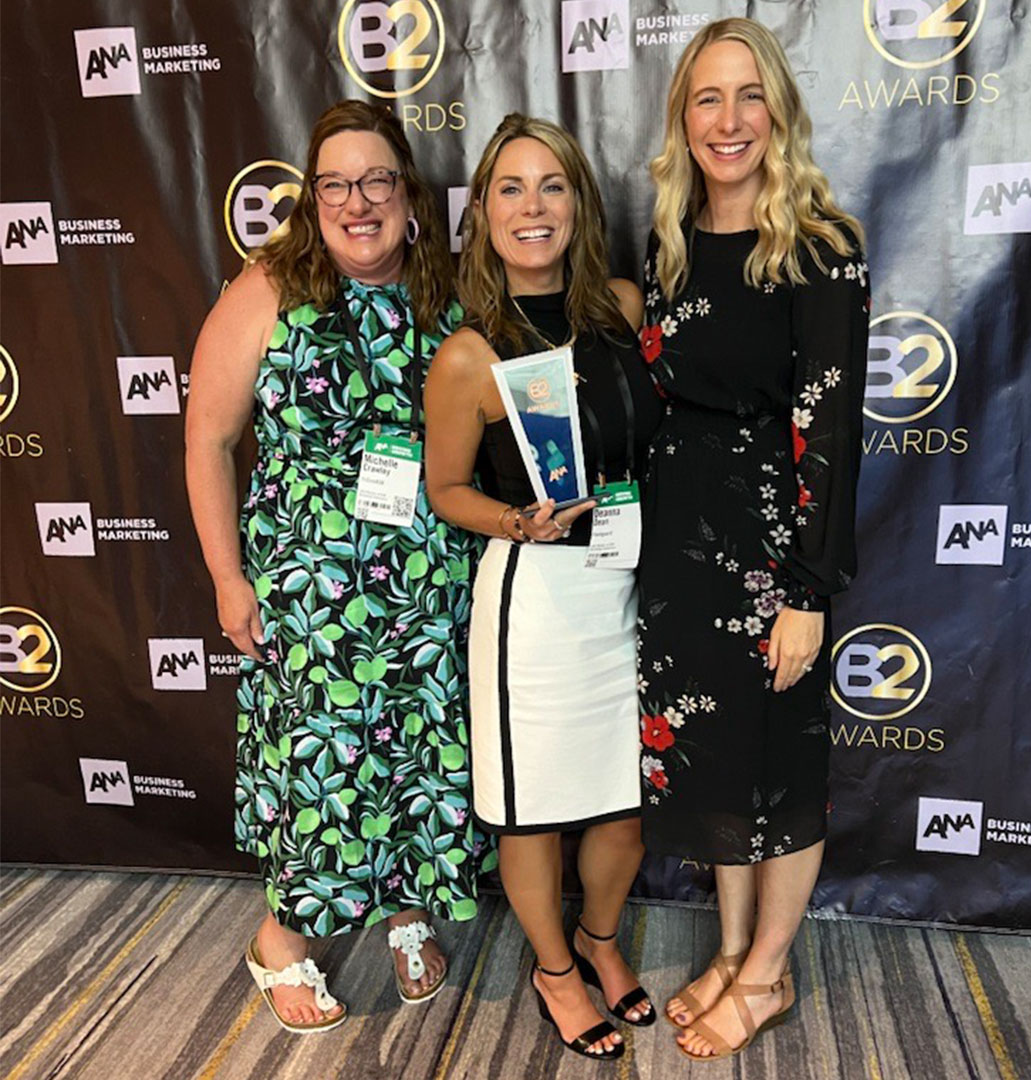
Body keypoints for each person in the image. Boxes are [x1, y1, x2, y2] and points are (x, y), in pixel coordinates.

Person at [185, 100, 485, 1033]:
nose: (358, 202)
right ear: (312, 200)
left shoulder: (450, 290)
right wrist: (229, 580)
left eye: (377, 180)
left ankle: (403, 910)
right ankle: (280, 937)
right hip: (311, 592)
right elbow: (207, 438)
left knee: (419, 755)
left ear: (408, 192)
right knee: (322, 769)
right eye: (335, 184)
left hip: (430, 584)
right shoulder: (267, 289)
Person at [635, 18, 870, 1060]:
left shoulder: (820, 250)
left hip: (771, 563)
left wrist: (809, 589)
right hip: (678, 552)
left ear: (777, 110)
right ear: (682, 120)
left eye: (747, 96)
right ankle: (731, 949)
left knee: (781, 769)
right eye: (706, 99)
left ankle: (769, 974)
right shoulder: (670, 242)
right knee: (721, 765)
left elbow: (829, 432)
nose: (728, 121)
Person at [424, 114, 664, 1061]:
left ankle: (600, 943)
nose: (534, 208)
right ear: (482, 213)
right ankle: (555, 971)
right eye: (512, 190)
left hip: (627, 589)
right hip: (534, 606)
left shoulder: (622, 308)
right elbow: (446, 489)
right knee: (533, 811)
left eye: (552, 187)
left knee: (625, 804)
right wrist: (511, 519)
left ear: (579, 202)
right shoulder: (468, 355)